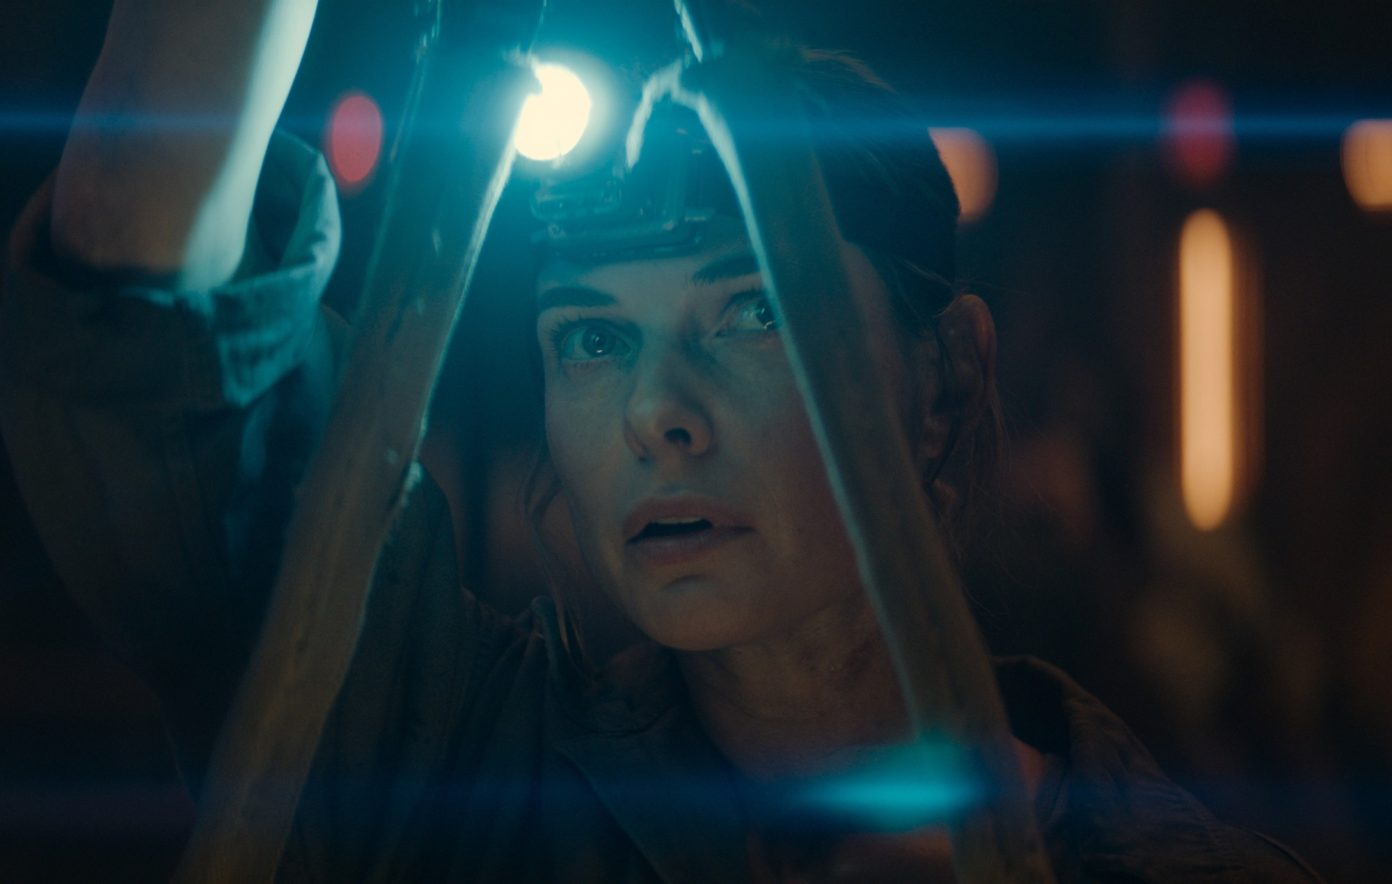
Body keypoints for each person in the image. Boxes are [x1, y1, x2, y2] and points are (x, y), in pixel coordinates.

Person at [0, 1, 1320, 880]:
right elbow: (140, 303)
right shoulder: (448, 774)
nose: (653, 411)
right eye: (592, 337)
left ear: (948, 378)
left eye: (755, 311)